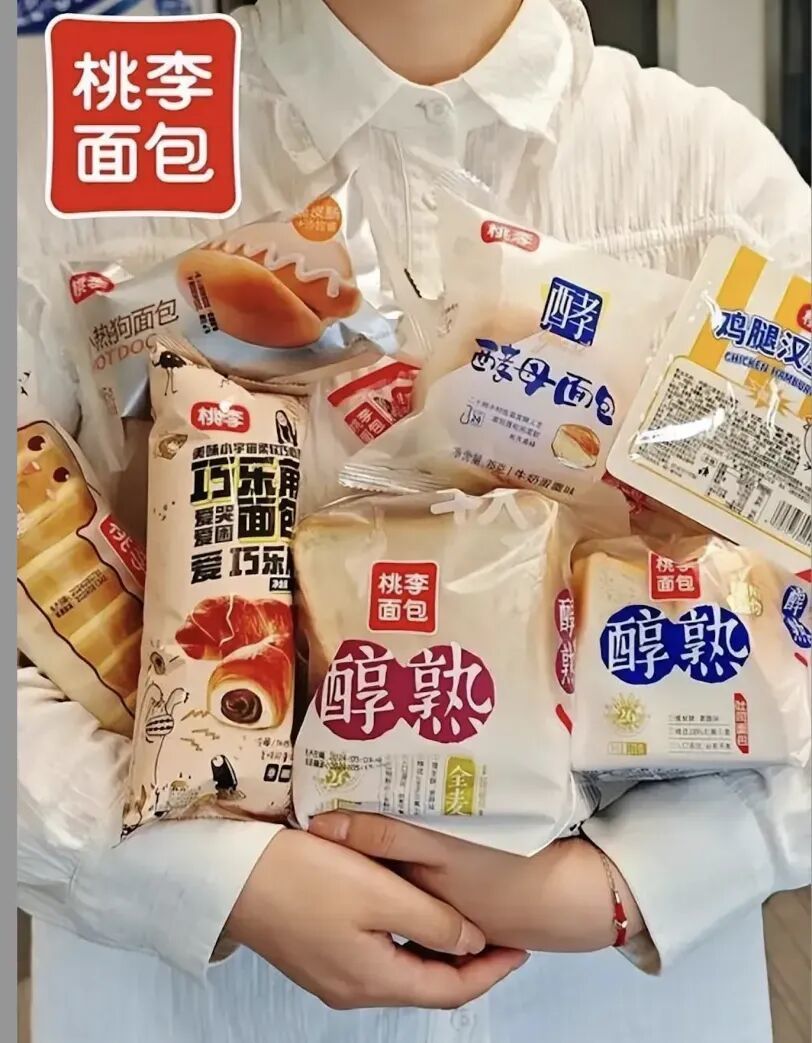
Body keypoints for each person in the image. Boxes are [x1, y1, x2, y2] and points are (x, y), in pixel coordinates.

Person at [17, 2, 811, 1041]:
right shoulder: (86, 156)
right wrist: (206, 877)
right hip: (195, 1003)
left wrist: (642, 874)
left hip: (616, 1005)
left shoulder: (709, 176)